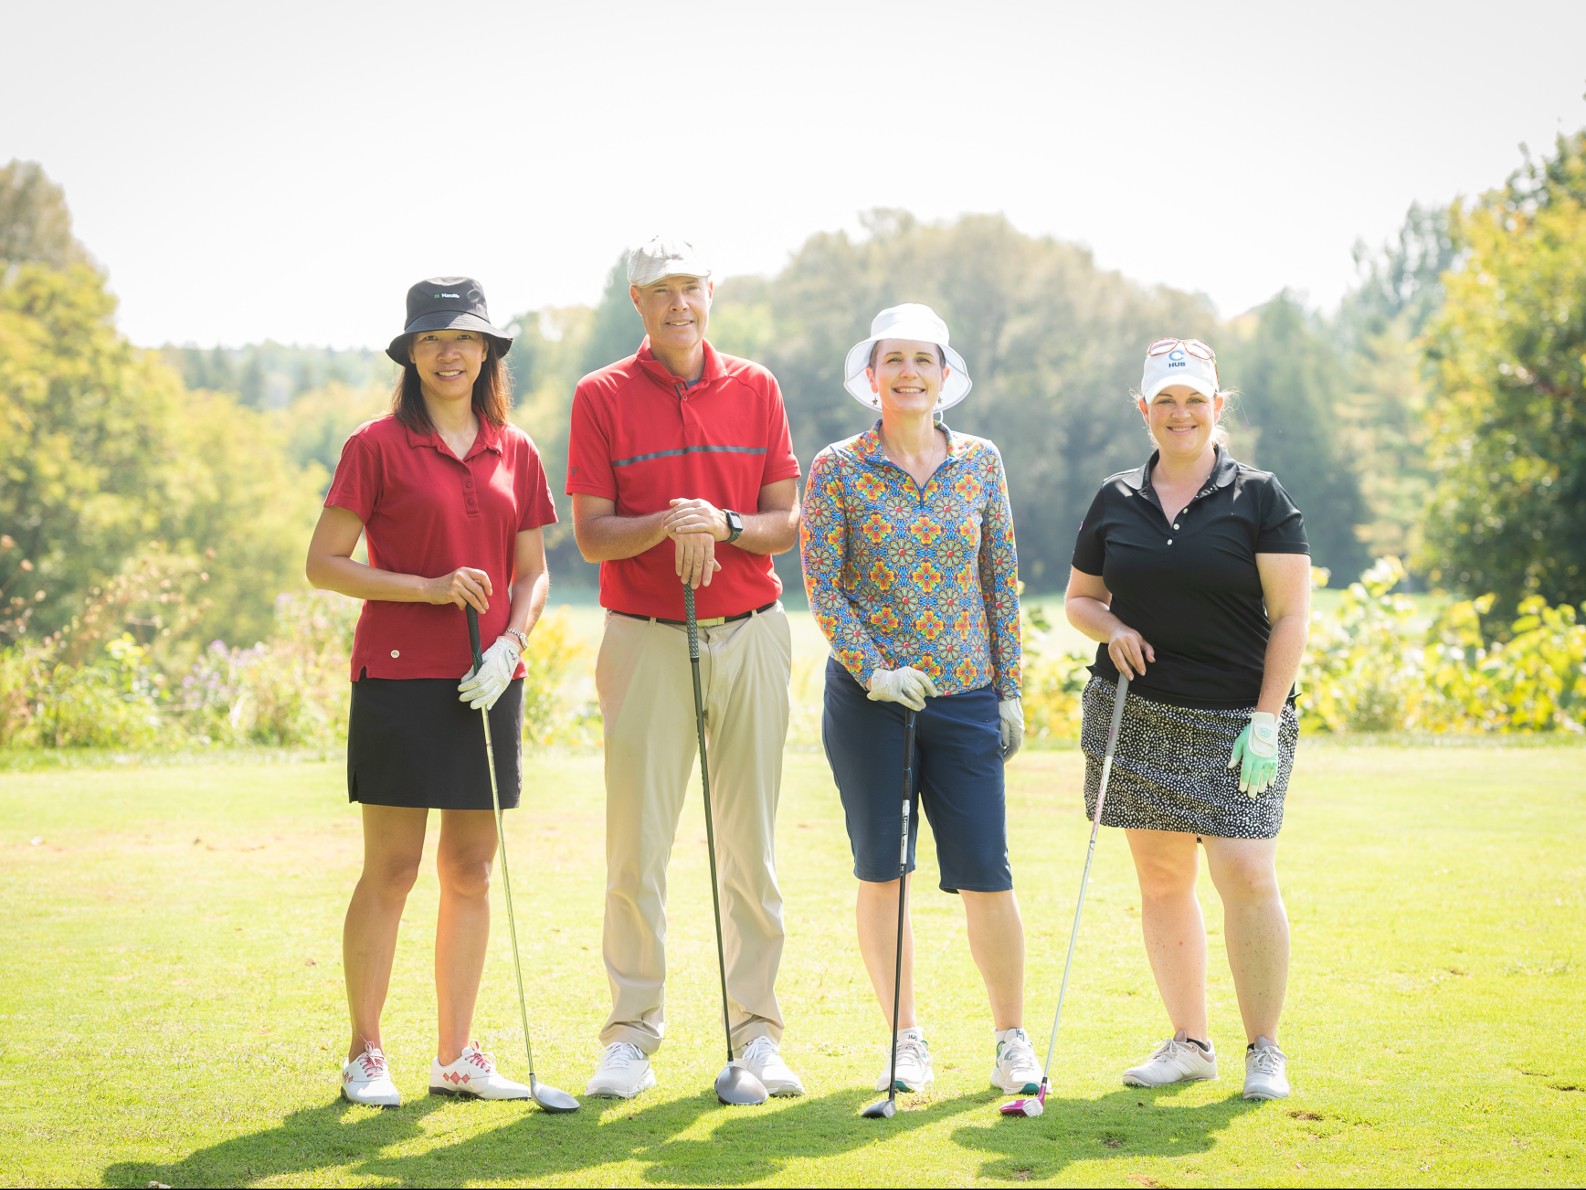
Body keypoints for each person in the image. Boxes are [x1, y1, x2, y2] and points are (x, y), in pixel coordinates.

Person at [306, 277, 558, 1107]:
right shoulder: (374, 445)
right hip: (398, 676)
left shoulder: (514, 449)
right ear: (411, 355)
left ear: (488, 353)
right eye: (432, 340)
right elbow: (326, 563)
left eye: (465, 339)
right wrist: (426, 587)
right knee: (392, 868)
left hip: (489, 681)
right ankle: (366, 1050)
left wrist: (512, 645)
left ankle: (457, 1056)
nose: (450, 354)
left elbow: (533, 571)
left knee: (472, 869)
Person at [567, 235, 804, 1099]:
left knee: (752, 849)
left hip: (751, 631)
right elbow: (592, 533)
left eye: (691, 289)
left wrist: (724, 525)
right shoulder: (600, 395)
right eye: (660, 291)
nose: (678, 304)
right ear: (637, 302)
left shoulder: (758, 387)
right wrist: (674, 522)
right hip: (645, 636)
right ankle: (631, 1034)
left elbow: (786, 519)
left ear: (713, 293)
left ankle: (759, 1035)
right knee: (636, 849)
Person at [798, 303, 1040, 1097]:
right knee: (883, 871)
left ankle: (1012, 1041)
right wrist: (873, 669)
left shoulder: (982, 461)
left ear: (945, 376)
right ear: (870, 377)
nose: (908, 373)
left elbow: (999, 581)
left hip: (966, 698)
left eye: (922, 360)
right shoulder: (837, 466)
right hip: (871, 704)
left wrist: (1010, 692)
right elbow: (824, 588)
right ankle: (904, 1039)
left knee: (987, 874)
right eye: (892, 359)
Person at [1064, 336, 1311, 1101]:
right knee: (1164, 877)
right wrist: (1113, 630)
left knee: (1245, 871)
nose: (1180, 414)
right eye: (1165, 401)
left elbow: (1292, 613)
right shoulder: (1115, 498)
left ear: (1218, 406)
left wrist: (1268, 718)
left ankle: (1263, 1048)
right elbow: (1081, 599)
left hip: (1240, 719)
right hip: (1139, 713)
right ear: (1144, 409)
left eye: (1194, 400)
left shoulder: (1259, 497)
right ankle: (1190, 1042)